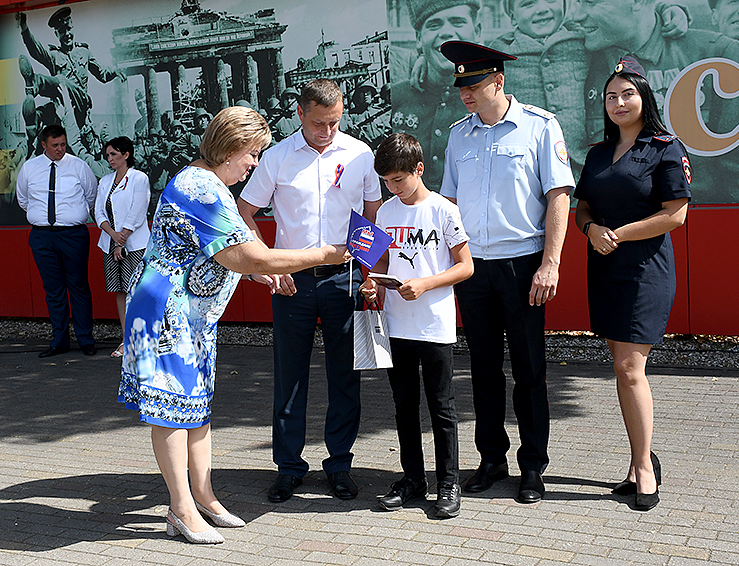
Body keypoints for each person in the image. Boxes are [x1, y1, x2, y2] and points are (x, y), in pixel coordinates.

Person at [117, 106, 350, 544]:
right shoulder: (201, 188)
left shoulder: (208, 183)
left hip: (190, 316)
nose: (255, 163)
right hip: (170, 315)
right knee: (169, 410)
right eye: (252, 153)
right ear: (230, 147)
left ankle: (202, 496)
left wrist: (258, 271)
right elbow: (245, 254)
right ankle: (181, 507)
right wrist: (322, 254)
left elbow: (225, 252)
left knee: (196, 407)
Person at [439, 41, 575, 503]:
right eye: (461, 87)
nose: (466, 95)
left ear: (498, 81)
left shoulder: (539, 126)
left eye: (473, 85)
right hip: (474, 267)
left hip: (522, 265)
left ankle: (533, 465)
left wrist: (551, 263)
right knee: (482, 368)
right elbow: (450, 204)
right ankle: (492, 457)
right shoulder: (460, 135)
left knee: (529, 368)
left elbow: (559, 196)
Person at [238, 78, 382, 503]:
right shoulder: (278, 157)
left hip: (345, 278)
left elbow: (372, 212)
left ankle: (339, 463)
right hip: (292, 281)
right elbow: (245, 211)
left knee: (345, 374)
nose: (328, 131)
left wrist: (369, 270)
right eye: (320, 123)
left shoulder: (360, 154)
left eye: (335, 122)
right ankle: (288, 467)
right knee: (290, 375)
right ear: (300, 113)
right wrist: (266, 264)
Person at [574, 56, 691, 511]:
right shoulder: (599, 154)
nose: (619, 102)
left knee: (629, 369)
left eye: (627, 94)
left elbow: (675, 215)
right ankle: (636, 459)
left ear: (644, 98)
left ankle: (644, 469)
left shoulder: (664, 147)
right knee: (621, 369)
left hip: (645, 269)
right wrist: (590, 229)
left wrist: (617, 233)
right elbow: (582, 206)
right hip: (604, 268)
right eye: (611, 96)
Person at [360, 133, 473, 518]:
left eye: (399, 180)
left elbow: (465, 266)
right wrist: (373, 282)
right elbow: (384, 264)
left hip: (434, 325)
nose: (393, 188)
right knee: (404, 407)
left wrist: (425, 283)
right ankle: (412, 479)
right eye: (387, 182)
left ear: (419, 170)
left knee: (441, 407)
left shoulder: (444, 210)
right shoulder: (387, 213)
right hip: (396, 324)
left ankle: (449, 482)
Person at [573, 0, 739, 203]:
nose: (577, 15)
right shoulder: (575, 59)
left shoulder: (715, 54)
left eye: (591, 2)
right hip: (614, 224)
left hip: (697, 219)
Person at [490, 0, 689, 174]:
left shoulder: (578, 34)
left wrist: (669, 9)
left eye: (550, 0)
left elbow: (629, 16)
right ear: (511, 15)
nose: (542, 9)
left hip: (577, 162)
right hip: (525, 163)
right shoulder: (500, 52)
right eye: (527, 3)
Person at [16, 124, 98, 357]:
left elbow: (91, 196)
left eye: (63, 144)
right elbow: (23, 199)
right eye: (55, 145)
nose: (60, 149)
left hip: (72, 235)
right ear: (44, 145)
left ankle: (85, 339)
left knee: (78, 286)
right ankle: (59, 340)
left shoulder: (78, 166)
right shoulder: (30, 168)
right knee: (53, 289)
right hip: (42, 235)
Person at [391, 0, 482, 191]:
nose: (446, 32)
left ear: (477, 32)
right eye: (434, 24)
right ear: (418, 38)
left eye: (458, 22)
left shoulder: (491, 100)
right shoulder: (396, 98)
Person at [16, 8, 123, 153]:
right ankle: (32, 125)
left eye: (68, 29)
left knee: (61, 81)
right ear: (56, 34)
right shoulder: (54, 56)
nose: (66, 34)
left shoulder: (84, 52)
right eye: (61, 31)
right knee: (44, 111)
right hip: (62, 107)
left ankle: (35, 82)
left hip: (81, 104)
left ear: (72, 28)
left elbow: (102, 74)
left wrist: (115, 71)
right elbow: (38, 51)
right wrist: (24, 28)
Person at [94, 137, 151, 358]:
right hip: (110, 243)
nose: (110, 159)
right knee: (120, 290)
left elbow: (138, 210)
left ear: (126, 155)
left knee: (136, 289)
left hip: (134, 244)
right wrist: (113, 236)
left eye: (114, 155)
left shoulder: (139, 178)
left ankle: (143, 339)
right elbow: (99, 212)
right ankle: (127, 339)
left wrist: (122, 238)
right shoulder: (105, 181)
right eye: (107, 155)